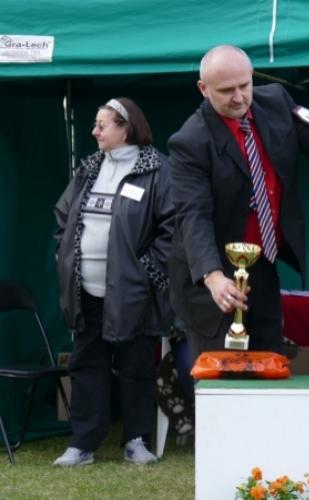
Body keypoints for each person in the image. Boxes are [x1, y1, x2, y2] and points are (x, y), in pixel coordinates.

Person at [168, 45, 309, 361]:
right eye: (226, 91)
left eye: (244, 85)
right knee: (223, 376)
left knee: (270, 363)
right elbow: (193, 215)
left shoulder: (277, 101)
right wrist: (213, 277)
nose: (239, 97)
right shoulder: (189, 141)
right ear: (203, 89)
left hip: (263, 264)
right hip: (212, 277)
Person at [53, 98, 174, 466]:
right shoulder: (88, 167)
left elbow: (171, 229)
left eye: (103, 125)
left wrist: (143, 271)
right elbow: (63, 215)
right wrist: (65, 255)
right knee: (86, 363)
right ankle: (82, 444)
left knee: (136, 365)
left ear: (127, 128)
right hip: (84, 288)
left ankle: (136, 440)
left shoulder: (156, 171)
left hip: (132, 292)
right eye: (94, 124)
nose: (94, 131)